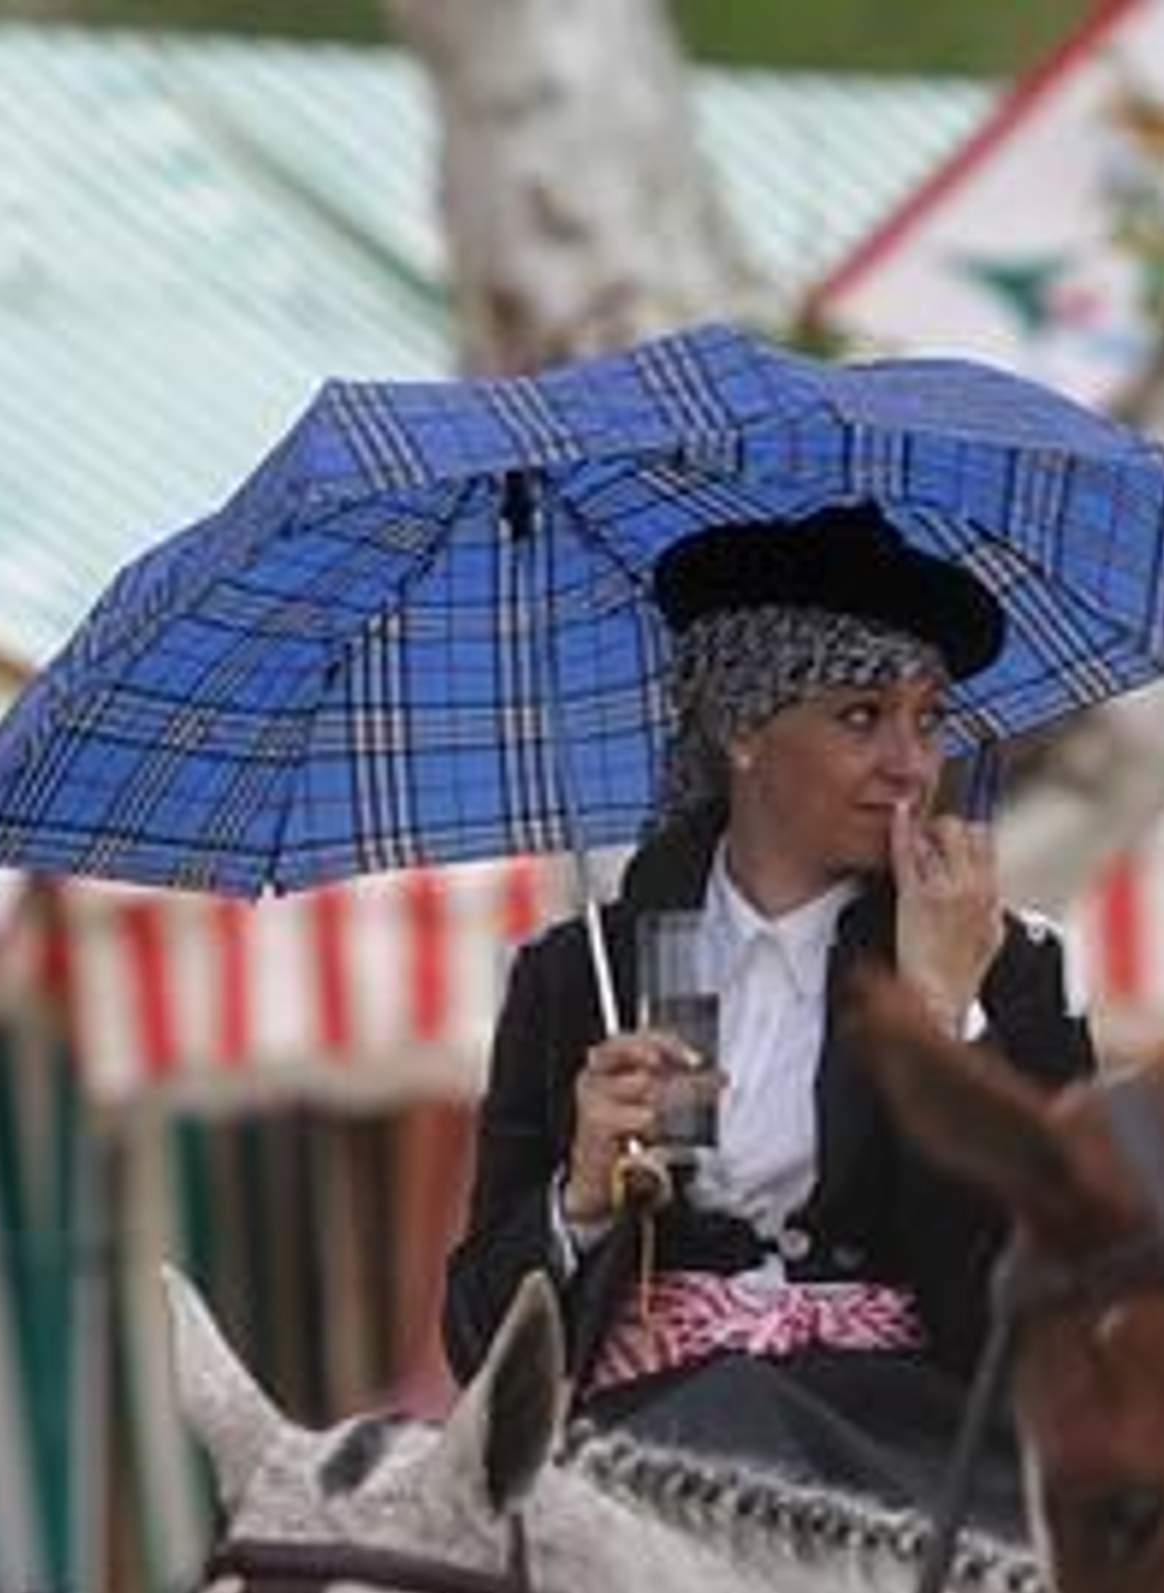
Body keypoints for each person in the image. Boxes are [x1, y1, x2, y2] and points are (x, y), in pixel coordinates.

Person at [442, 500, 1095, 1516]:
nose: (911, 765)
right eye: (860, 716)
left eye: (928, 720)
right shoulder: (589, 975)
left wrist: (941, 1014)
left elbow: (1045, 1321)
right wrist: (575, 1200)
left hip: (905, 1486)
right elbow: (479, 1343)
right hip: (638, 1486)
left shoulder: (1015, 970)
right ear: (743, 729)